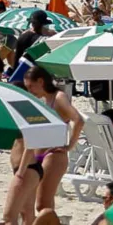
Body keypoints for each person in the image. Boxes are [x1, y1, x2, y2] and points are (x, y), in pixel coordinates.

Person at [24, 67, 85, 213]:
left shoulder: (58, 97)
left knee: (42, 205)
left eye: (31, 86)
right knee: (33, 204)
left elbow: (78, 120)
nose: (29, 90)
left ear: (41, 81)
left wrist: (69, 146)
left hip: (54, 156)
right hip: (37, 155)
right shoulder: (41, 100)